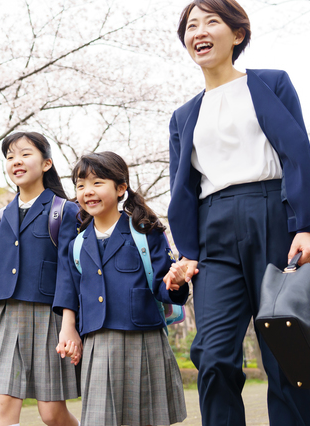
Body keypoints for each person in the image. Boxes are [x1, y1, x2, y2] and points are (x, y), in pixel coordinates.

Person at [167, 1, 310, 425]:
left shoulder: (272, 83)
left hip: (273, 215)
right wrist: (187, 251)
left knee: (285, 354)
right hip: (213, 229)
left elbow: (298, 155)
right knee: (214, 355)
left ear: (237, 35)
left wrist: (306, 226)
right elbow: (182, 189)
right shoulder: (183, 116)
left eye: (211, 21)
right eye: (191, 25)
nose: (199, 31)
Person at [54, 151, 189, 426]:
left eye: (96, 183)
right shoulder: (77, 244)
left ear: (121, 188)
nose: (87, 192)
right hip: (97, 342)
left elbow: (162, 285)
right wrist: (69, 330)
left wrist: (175, 283)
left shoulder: (145, 231)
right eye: (80, 186)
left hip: (144, 338)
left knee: (147, 420)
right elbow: (71, 292)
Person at [0, 132, 80, 426]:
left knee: (52, 414)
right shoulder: (1, 217)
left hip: (50, 318)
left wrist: (70, 323)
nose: (16, 161)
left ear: (46, 164)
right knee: (3, 403)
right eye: (9, 156)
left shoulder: (65, 211)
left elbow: (70, 272)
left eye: (25, 154)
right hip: (6, 317)